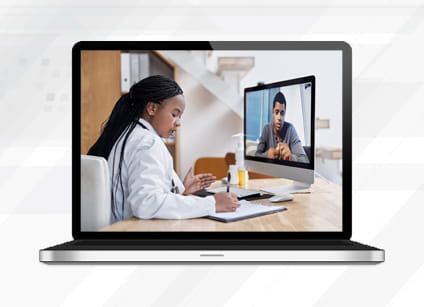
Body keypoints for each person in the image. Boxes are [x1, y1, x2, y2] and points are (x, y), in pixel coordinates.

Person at [88, 75, 240, 223]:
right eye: (174, 114)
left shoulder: (129, 133)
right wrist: (212, 203)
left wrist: (181, 190)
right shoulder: (147, 142)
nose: (178, 123)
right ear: (152, 108)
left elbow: (143, 192)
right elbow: (146, 203)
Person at [255, 92, 309, 163]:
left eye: (282, 113)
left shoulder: (291, 129)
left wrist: (291, 157)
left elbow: (305, 160)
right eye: (276, 112)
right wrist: (267, 155)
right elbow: (256, 156)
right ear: (272, 113)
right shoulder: (266, 129)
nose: (279, 118)